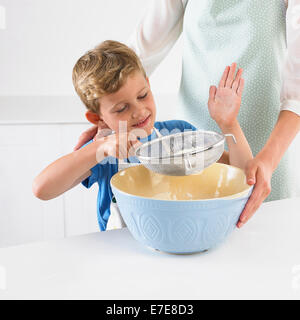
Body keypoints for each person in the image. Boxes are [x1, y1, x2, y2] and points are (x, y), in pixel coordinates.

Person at [75, 0, 300, 229]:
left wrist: (268, 160)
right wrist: (111, 116)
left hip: (271, 143)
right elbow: (136, 57)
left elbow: (297, 92)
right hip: (189, 141)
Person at [32, 40, 253, 231]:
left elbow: (242, 173)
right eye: (121, 109)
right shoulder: (105, 152)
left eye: (142, 95)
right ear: (98, 119)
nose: (138, 111)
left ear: (148, 84)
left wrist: (229, 124)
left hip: (180, 240)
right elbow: (42, 189)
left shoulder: (179, 133)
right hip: (123, 259)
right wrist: (96, 149)